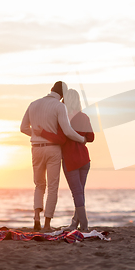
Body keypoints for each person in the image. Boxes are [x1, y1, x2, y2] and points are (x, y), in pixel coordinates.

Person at [20, 81, 86, 232]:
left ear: (51, 90)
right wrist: (81, 139)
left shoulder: (33, 104)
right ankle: (47, 224)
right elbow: (67, 131)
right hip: (53, 149)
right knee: (52, 187)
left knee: (39, 185)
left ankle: (36, 217)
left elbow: (23, 128)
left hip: (36, 148)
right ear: (63, 94)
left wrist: (37, 135)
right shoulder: (59, 106)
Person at [33, 89, 94, 232]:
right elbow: (91, 138)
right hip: (84, 159)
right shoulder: (84, 116)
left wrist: (43, 132)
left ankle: (84, 225)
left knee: (77, 193)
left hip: (71, 160)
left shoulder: (63, 117)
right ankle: (75, 223)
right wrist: (81, 136)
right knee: (80, 192)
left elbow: (60, 139)